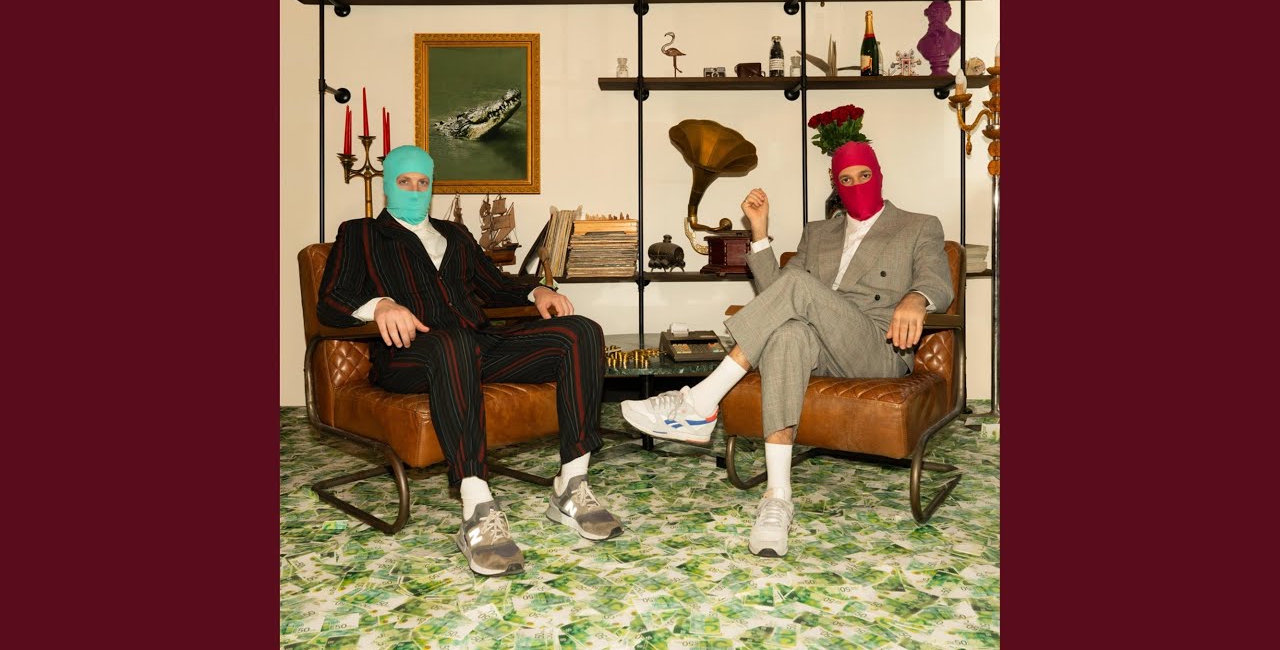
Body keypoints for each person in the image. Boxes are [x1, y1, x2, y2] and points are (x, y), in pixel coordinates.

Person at [622, 141, 952, 557]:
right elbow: (776, 294)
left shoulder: (917, 226)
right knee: (787, 334)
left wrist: (917, 298)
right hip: (818, 344)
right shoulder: (819, 232)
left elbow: (938, 280)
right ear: (835, 185)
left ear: (879, 174)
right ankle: (777, 497)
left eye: (864, 176)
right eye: (845, 179)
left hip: (876, 345)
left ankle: (701, 401)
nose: (856, 185)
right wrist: (759, 234)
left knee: (798, 289)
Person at [317, 145, 621, 577]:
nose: (415, 190)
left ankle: (571, 486)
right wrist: (379, 305)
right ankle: (477, 507)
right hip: (410, 355)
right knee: (453, 343)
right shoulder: (360, 234)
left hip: (477, 345)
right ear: (388, 185)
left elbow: (494, 286)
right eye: (405, 181)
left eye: (423, 182)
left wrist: (536, 290)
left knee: (581, 331)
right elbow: (330, 301)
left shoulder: (455, 235)